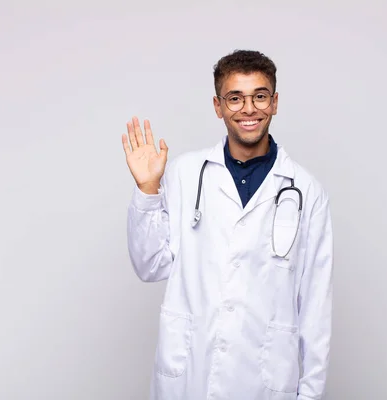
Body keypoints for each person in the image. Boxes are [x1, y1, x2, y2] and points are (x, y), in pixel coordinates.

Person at [121, 50, 333, 400]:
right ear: (218, 106)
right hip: (191, 375)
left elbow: (315, 305)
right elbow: (149, 265)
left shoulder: (306, 191)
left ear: (275, 102)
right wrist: (148, 190)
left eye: (260, 96)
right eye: (235, 98)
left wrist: (310, 394)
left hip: (264, 379)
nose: (248, 109)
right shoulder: (184, 174)